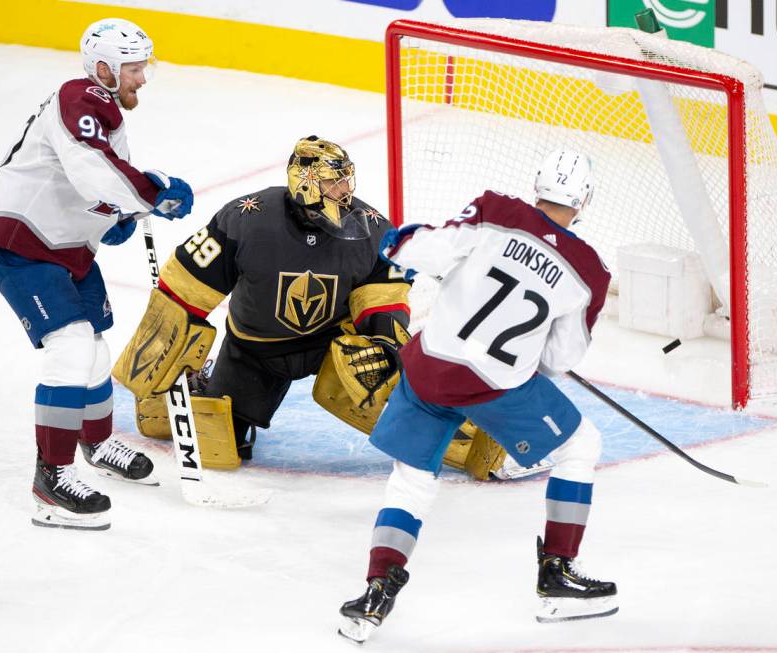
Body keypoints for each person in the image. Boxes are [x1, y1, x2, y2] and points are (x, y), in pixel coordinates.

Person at [337, 149, 617, 643]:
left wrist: (398, 241)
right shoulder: (589, 274)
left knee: (412, 481)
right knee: (581, 445)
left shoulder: (496, 210)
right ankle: (557, 574)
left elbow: (416, 250)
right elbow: (559, 361)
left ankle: (376, 592)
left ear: (537, 185)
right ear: (585, 200)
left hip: (428, 369)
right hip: (493, 388)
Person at [0, 18, 194, 531]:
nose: (143, 78)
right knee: (70, 346)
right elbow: (92, 168)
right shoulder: (80, 96)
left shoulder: (105, 109)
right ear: (103, 68)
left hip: (66, 247)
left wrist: (116, 218)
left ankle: (96, 443)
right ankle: (50, 480)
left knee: (95, 350)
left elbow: (89, 183)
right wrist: (153, 195)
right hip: (25, 244)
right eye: (134, 69)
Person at [113, 136, 412, 469]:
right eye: (332, 181)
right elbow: (185, 289)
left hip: (330, 345)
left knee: (388, 370)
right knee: (222, 443)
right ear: (307, 183)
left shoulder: (370, 228)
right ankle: (199, 389)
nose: (344, 190)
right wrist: (162, 352)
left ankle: (442, 428)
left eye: (345, 179)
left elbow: (385, 294)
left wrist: (384, 339)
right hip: (255, 351)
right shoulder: (246, 220)